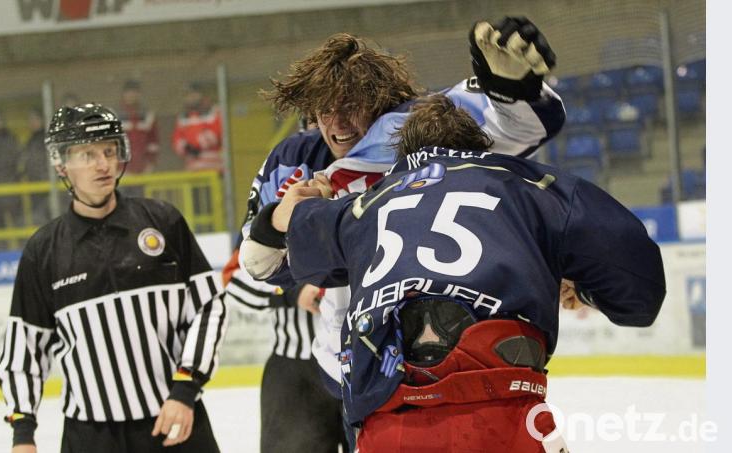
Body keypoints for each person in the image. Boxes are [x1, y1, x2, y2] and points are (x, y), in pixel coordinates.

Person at [262, 94, 666, 452]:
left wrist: (288, 211)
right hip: (500, 417)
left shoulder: (364, 206)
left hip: (390, 427)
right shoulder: (531, 186)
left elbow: (261, 260)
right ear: (478, 144)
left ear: (403, 155)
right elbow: (641, 295)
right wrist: (580, 285)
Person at [239, 17, 565, 449]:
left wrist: (510, 91)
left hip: (444, 362)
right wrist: (291, 224)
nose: (336, 123)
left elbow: (519, 126)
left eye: (349, 104)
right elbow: (260, 260)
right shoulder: (294, 160)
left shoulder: (426, 128)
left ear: (380, 99)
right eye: (324, 108)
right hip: (345, 367)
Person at [0, 103, 226, 453]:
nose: (103, 164)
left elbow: (209, 307)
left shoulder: (162, 222)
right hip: (91, 439)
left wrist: (185, 390)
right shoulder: (43, 251)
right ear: (61, 164)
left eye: (108, 150)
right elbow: (24, 347)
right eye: (87, 154)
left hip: (174, 419)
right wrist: (22, 432)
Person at [221, 241, 349, 453]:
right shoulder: (268, 210)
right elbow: (233, 279)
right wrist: (291, 291)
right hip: (297, 379)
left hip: (369, 367)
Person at [171, 82, 223, 172]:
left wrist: (195, 144)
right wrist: (187, 148)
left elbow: (214, 136)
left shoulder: (214, 113)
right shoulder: (183, 118)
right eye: (187, 95)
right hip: (192, 167)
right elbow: (177, 140)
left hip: (214, 166)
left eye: (192, 94)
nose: (189, 97)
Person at [118, 79, 160, 174]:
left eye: (134, 92)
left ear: (140, 94)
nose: (131, 95)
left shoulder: (148, 116)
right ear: (123, 94)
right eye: (128, 92)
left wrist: (151, 163)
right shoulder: (114, 116)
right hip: (121, 169)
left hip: (143, 169)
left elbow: (153, 142)